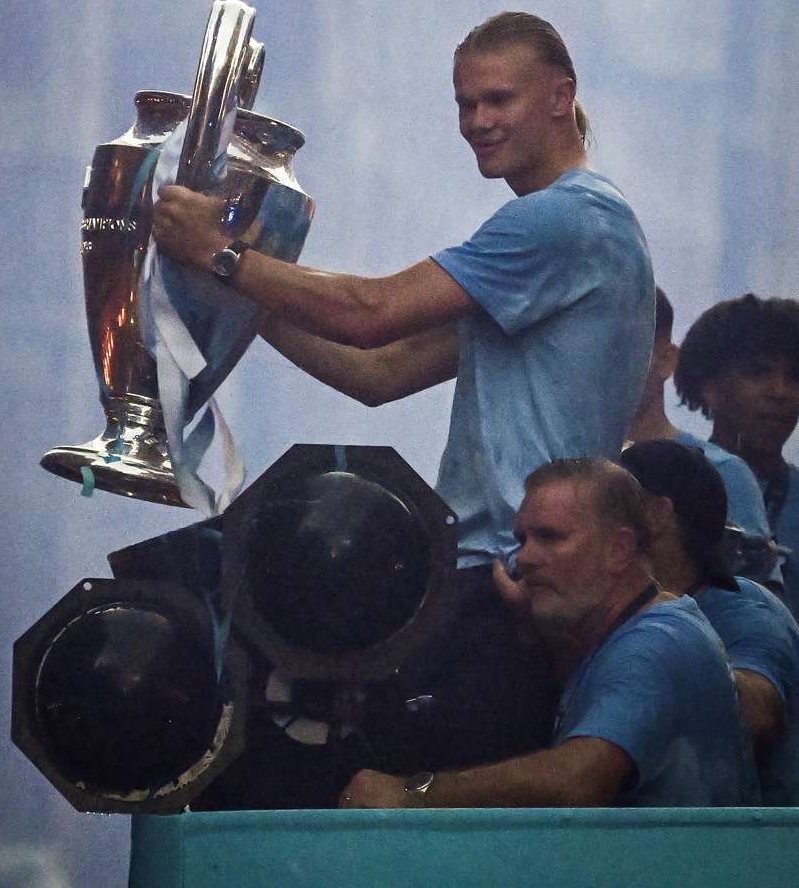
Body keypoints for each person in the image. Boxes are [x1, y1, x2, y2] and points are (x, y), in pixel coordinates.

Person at [152, 11, 655, 775]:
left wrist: (223, 257)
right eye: (465, 104)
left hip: (508, 580)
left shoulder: (564, 218)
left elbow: (370, 310)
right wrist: (234, 291)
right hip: (484, 575)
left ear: (560, 96)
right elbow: (378, 372)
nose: (478, 122)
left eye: (498, 99)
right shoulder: (554, 243)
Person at [338, 458, 756, 808]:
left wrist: (411, 792)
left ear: (620, 549)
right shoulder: (633, 632)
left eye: (550, 538)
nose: (527, 558)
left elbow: (578, 778)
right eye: (522, 538)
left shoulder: (657, 641)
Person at [620, 438, 799, 805]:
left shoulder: (744, 606)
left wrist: (665, 625)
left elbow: (758, 715)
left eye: (607, 504)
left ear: (654, 512)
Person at [626, 287, 775, 582]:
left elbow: (749, 607)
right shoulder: (568, 469)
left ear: (667, 360)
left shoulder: (724, 474)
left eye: (625, 349)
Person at [675, 295, 799, 618]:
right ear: (709, 386)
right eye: (759, 373)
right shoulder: (670, 486)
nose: (780, 391)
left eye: (795, 377)